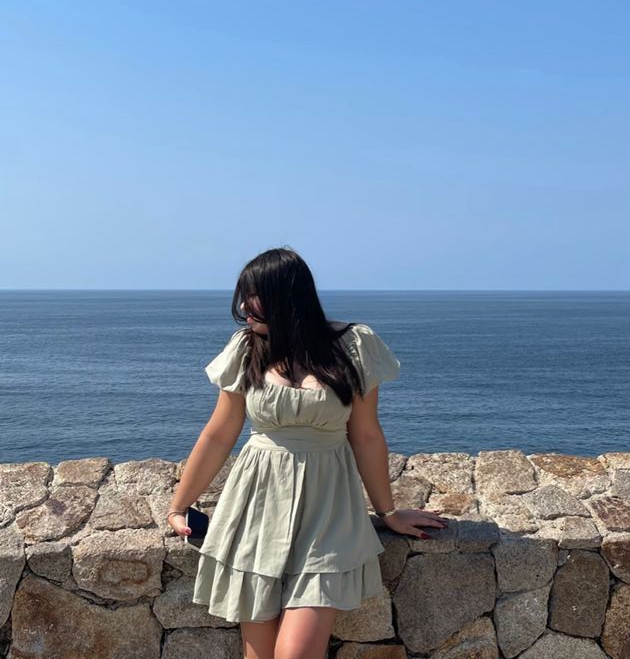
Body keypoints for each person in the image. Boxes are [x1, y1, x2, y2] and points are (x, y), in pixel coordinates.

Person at [167, 247, 447, 659]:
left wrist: (388, 513)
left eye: (254, 295)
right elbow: (219, 433)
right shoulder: (247, 348)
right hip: (256, 504)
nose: (244, 306)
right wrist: (180, 505)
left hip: (329, 511)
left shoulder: (353, 345)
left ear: (288, 296)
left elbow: (366, 436)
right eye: (243, 295)